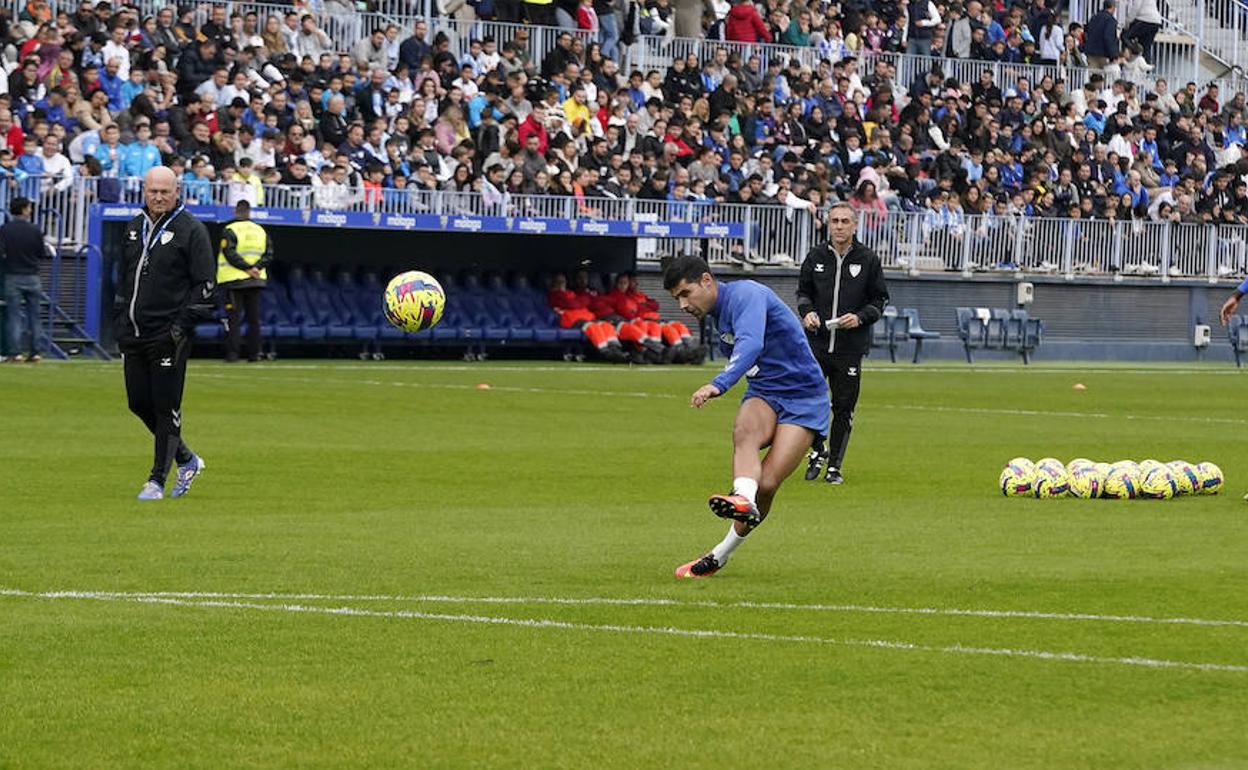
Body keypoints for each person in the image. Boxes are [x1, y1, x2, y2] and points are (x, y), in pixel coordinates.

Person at [664, 255, 830, 578]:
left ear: (707, 281)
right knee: (744, 432)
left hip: (804, 398)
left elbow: (751, 344)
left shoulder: (747, 295)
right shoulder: (717, 314)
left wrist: (718, 384)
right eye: (677, 299)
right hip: (765, 391)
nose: (683, 305)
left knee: (766, 484)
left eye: (686, 294)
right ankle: (741, 497)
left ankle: (720, 555)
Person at [113, 166, 215, 500]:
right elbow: (124, 279)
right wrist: (119, 320)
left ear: (176, 192)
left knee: (165, 406)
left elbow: (205, 286)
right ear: (144, 191)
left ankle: (156, 480)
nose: (158, 197)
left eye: (164, 192)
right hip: (134, 333)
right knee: (137, 402)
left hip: (170, 334)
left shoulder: (191, 230)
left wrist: (179, 328)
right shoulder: (133, 228)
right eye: (153, 191)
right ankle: (186, 459)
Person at [796, 202, 890, 485]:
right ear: (828, 223)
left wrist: (859, 318)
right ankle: (816, 451)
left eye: (845, 221)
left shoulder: (868, 259)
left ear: (855, 224)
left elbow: (880, 301)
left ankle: (834, 466)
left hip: (850, 348)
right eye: (835, 221)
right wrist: (807, 313)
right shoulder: (815, 256)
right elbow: (803, 293)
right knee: (808, 402)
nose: (839, 226)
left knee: (843, 407)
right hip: (817, 345)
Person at [217, 199, 273, 363]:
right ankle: (255, 354)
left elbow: (229, 252)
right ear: (249, 212)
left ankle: (233, 355)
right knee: (253, 319)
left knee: (233, 319)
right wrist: (255, 268)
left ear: (236, 212)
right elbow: (269, 254)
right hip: (256, 280)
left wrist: (247, 268)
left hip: (234, 280)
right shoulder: (261, 230)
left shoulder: (230, 229)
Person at [0, 197, 45, 363]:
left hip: (12, 275)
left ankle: (15, 352)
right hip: (33, 276)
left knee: (13, 316)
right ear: (24, 210)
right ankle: (35, 352)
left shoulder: (5, 230)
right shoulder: (35, 230)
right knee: (35, 316)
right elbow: (42, 253)